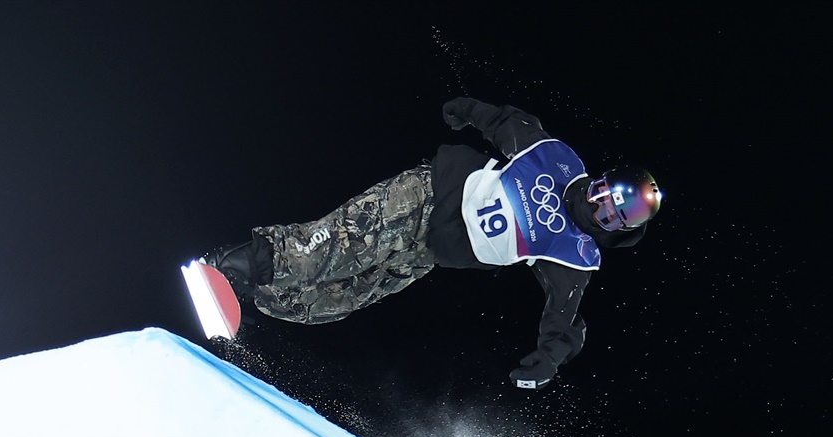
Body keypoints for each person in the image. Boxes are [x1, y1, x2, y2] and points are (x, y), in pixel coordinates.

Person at [205, 97, 662, 390]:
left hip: (431, 251)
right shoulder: (556, 158)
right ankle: (231, 264)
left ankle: (252, 293)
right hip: (429, 194)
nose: (599, 213)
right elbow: (506, 124)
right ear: (601, 183)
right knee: (332, 249)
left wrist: (548, 359)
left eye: (612, 218)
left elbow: (563, 318)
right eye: (604, 199)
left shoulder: (574, 254)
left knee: (333, 302)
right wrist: (468, 110)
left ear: (620, 229)